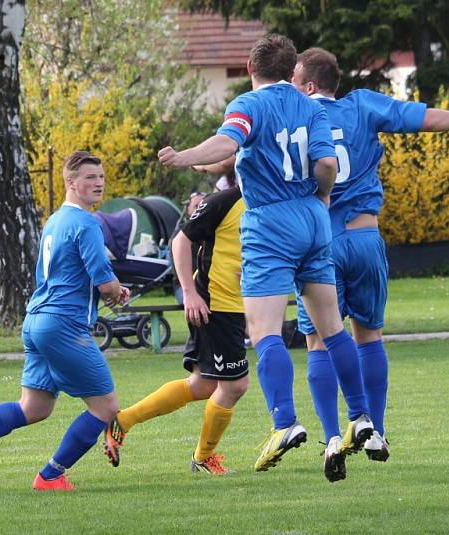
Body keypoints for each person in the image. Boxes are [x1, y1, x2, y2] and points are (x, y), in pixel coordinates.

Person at [158, 34, 374, 474]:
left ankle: (285, 423)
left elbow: (227, 143)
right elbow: (327, 165)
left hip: (269, 222)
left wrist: (182, 157)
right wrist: (323, 200)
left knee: (264, 330)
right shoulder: (310, 107)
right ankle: (360, 416)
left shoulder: (248, 105)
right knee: (333, 328)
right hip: (314, 216)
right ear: (293, 71)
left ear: (250, 67)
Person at [291, 47, 449, 481]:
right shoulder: (362, 104)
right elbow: (420, 118)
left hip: (317, 243)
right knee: (369, 335)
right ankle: (376, 432)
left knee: (320, 344)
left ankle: (331, 439)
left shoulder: (295, 118)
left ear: (307, 86)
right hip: (364, 238)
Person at [0, 150, 130, 491]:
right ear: (70, 182)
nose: (98, 183)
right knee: (106, 408)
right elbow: (104, 281)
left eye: (101, 176)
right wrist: (117, 291)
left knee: (34, 407)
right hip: (63, 325)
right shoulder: (86, 223)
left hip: (37, 320)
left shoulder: (55, 220)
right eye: (89, 178)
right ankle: (50, 476)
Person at [103, 186, 247, 475]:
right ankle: (203, 458)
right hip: (214, 303)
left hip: (238, 304)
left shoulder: (276, 198)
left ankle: (123, 421)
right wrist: (189, 293)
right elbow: (181, 240)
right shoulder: (227, 199)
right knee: (234, 385)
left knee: (203, 385)